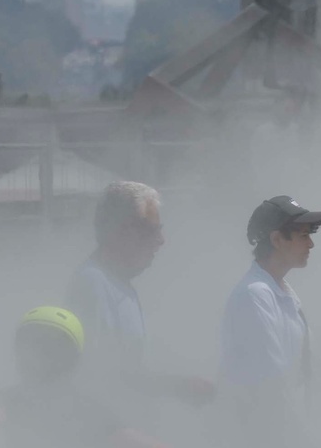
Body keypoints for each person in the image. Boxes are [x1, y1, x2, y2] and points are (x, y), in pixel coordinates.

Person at [64, 181, 214, 427]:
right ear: (121, 231)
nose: (161, 240)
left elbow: (125, 369)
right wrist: (175, 386)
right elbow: (100, 377)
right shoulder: (93, 283)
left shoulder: (121, 283)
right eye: (152, 230)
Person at [0, 306, 171, 448]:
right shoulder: (85, 408)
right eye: (33, 345)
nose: (38, 356)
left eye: (51, 349)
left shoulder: (9, 400)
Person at [217, 195, 321, 448]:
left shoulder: (281, 291)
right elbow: (270, 387)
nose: (311, 244)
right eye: (303, 235)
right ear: (277, 240)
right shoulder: (254, 295)